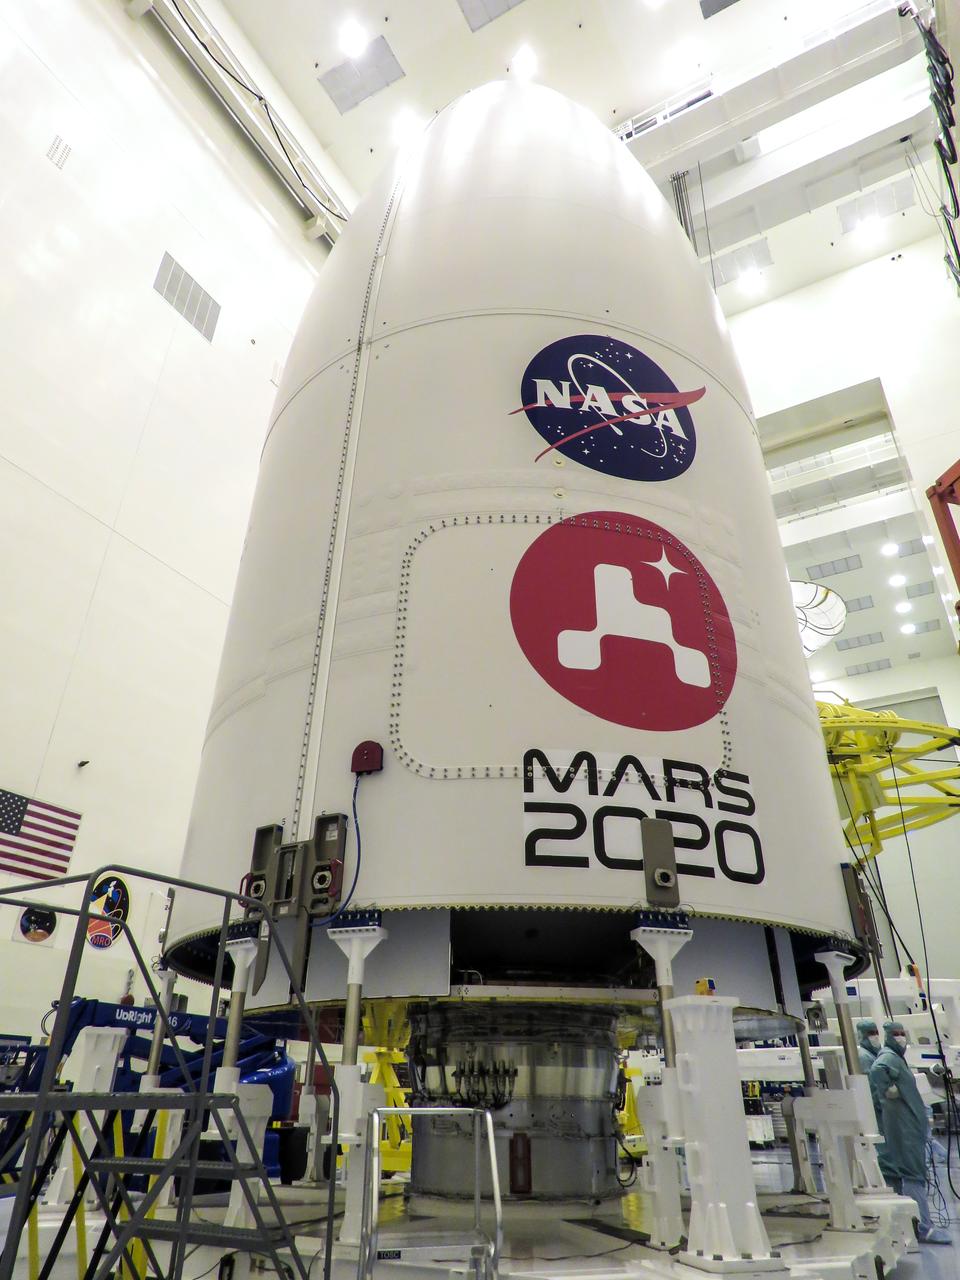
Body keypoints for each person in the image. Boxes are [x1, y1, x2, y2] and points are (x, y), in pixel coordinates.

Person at [869, 1020, 950, 1244]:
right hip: (904, 1129)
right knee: (913, 1175)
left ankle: (913, 1224)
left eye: (901, 1033)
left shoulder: (897, 1058)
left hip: (910, 1127)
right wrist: (888, 1090)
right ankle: (922, 1227)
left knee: (912, 1173)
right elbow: (877, 1070)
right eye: (895, 1034)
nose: (900, 1037)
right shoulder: (887, 1057)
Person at [856, 1018, 895, 1180]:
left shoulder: (875, 1054)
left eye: (876, 1033)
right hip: (877, 1110)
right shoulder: (864, 1057)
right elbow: (872, 1087)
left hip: (883, 1109)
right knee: (885, 1151)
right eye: (871, 1033)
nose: (875, 1036)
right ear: (861, 1035)